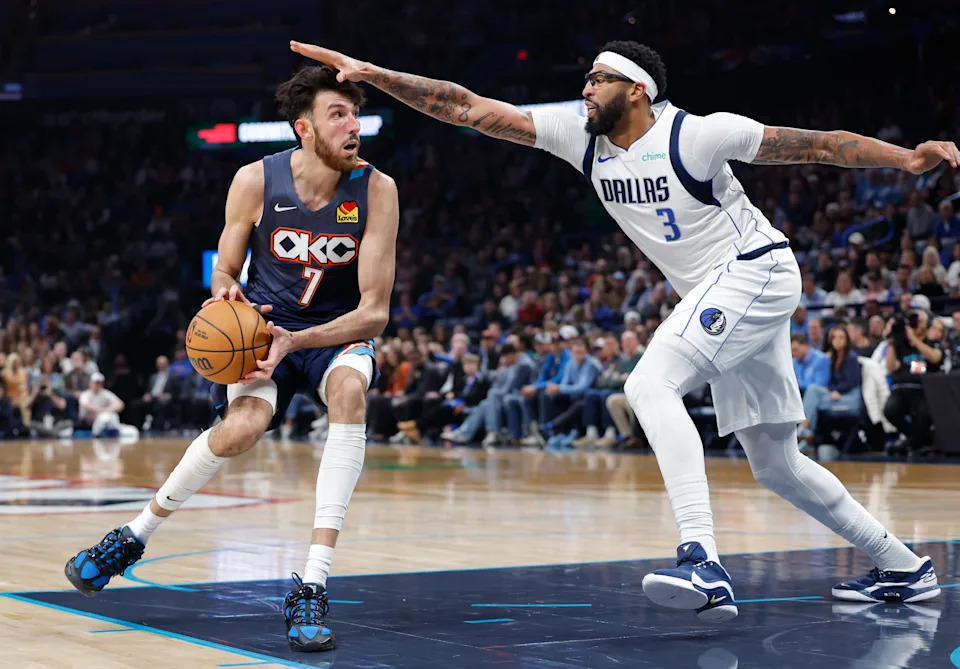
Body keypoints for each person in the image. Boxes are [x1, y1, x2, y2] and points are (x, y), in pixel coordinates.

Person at [291, 38, 957, 616]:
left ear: (637, 90)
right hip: (723, 294)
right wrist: (373, 74)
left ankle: (701, 559)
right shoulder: (580, 136)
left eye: (598, 79)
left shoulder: (698, 135)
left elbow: (818, 145)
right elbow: (467, 108)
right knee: (777, 464)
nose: (585, 89)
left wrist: (905, 160)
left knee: (648, 385)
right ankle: (903, 566)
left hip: (755, 270)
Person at [65, 65, 399, 653]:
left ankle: (312, 586)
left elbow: (374, 313)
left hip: (333, 333)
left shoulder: (377, 190)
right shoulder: (255, 179)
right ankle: (133, 536)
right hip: (263, 331)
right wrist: (225, 293)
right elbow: (224, 269)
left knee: (349, 392)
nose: (353, 126)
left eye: (355, 114)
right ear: (304, 128)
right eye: (337, 115)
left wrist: (299, 341)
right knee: (240, 429)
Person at [883, 310, 943, 454]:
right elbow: (891, 367)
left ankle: (911, 442)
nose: (916, 324)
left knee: (924, 413)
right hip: (901, 387)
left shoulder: (931, 342)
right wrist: (891, 342)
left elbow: (935, 358)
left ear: (926, 324)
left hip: (923, 388)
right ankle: (917, 440)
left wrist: (914, 340)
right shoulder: (900, 344)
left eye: (920, 321)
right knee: (890, 410)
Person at [797, 326, 862, 448]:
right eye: (834, 338)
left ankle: (804, 432)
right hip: (835, 396)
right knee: (813, 389)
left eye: (841, 338)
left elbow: (851, 382)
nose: (838, 341)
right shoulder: (831, 359)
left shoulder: (852, 358)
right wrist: (832, 390)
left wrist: (835, 390)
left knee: (814, 402)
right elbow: (830, 381)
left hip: (849, 399)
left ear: (847, 340)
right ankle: (805, 432)